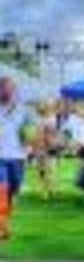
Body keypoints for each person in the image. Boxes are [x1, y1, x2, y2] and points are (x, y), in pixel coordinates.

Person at [0, 76, 35, 204]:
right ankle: (2, 220)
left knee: (14, 186)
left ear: (14, 90)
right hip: (1, 156)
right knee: (1, 187)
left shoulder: (24, 110)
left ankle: (6, 206)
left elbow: (31, 129)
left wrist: (30, 143)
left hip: (18, 155)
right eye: (3, 88)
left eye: (9, 88)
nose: (6, 91)